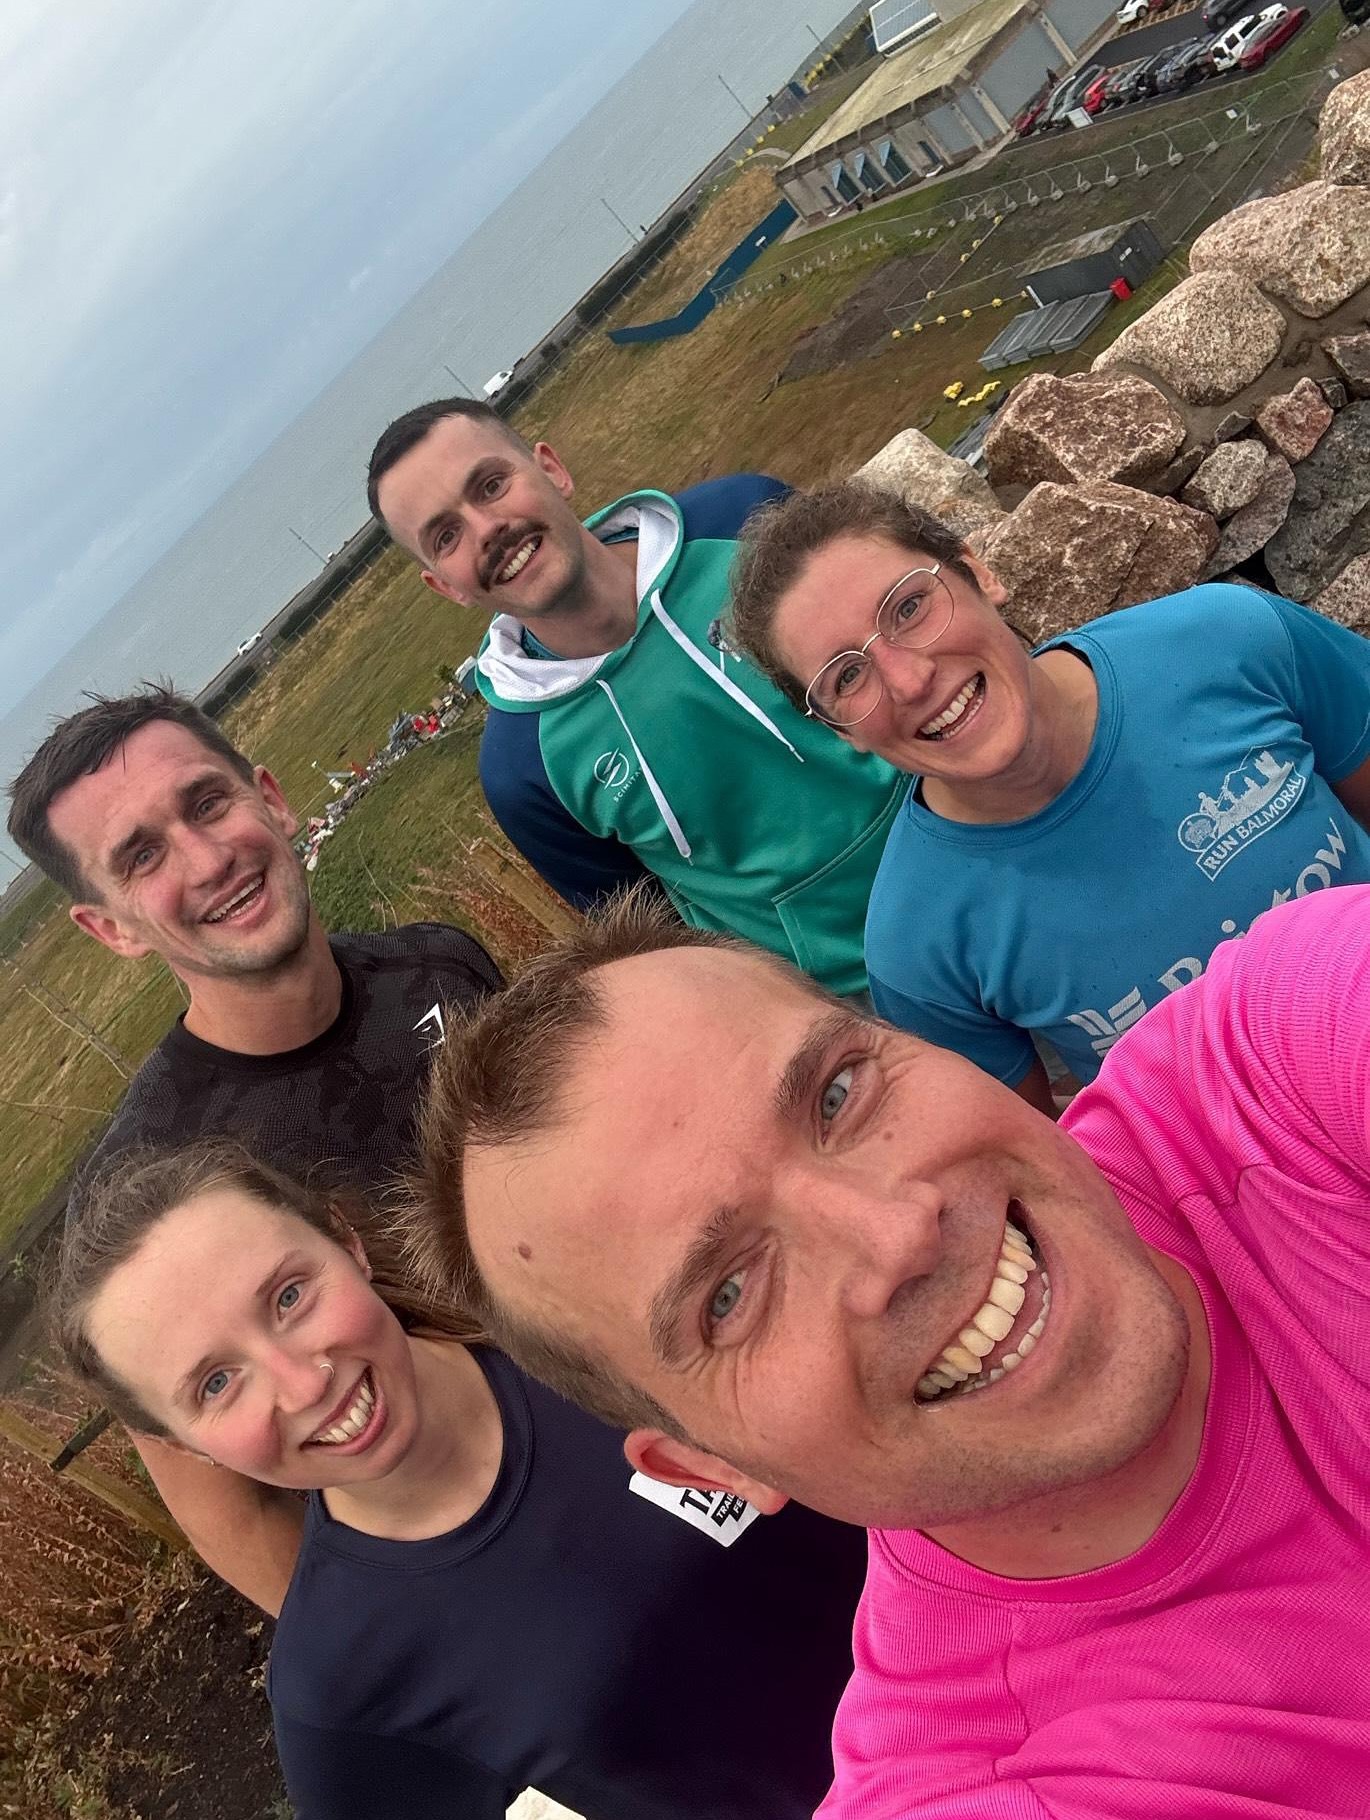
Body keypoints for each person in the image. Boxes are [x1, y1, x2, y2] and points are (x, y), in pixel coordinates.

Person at [409, 882, 1370, 1819]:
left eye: (838, 1095)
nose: (897, 1233)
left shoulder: (1271, 1058)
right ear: (712, 1466)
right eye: (731, 1296)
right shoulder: (988, 1782)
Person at [54, 1140, 866, 1820]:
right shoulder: (340, 1696)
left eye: (290, 1297)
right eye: (216, 1385)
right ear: (183, 1444)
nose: (303, 1385)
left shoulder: (589, 1323)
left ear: (349, 1241)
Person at [6, 686, 500, 1611]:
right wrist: (432, 1651)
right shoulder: (147, 1188)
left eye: (207, 803)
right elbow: (236, 1520)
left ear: (270, 798)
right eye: (141, 856)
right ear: (109, 926)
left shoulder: (437, 964)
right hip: (474, 1557)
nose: (207, 858)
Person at [724, 480, 1370, 1104]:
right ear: (841, 732)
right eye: (847, 677)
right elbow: (1041, 1168)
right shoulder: (918, 947)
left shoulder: (1228, 641)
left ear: (979, 575)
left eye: (909, 606)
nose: (910, 678)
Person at [366, 397, 906, 996]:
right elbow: (663, 950)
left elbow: (899, 650)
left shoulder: (742, 518)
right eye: (446, 536)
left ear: (551, 469)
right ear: (445, 586)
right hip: (867, 1005)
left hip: (987, 844)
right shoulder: (522, 768)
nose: (487, 529)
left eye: (491, 485)